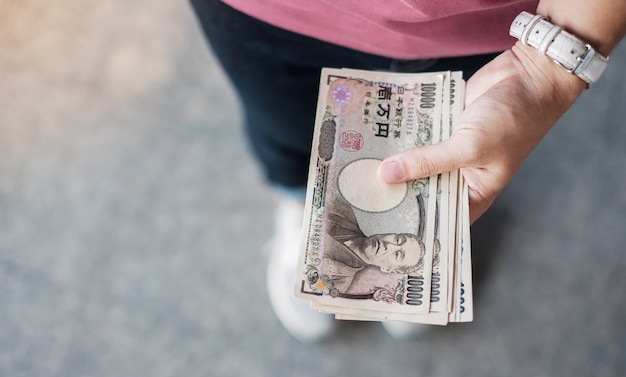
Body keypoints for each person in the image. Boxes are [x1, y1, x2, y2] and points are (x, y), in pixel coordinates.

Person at [189, 0, 626, 342]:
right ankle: (298, 198)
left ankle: (445, 216)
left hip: (489, 28)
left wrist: (543, 71)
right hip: (265, 14)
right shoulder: (354, 231)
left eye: (400, 251)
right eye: (405, 245)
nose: (397, 240)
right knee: (283, 127)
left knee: (451, 145)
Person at [322, 196, 426, 294]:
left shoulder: (339, 282)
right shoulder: (342, 211)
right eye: (397, 240)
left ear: (388, 269)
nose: (389, 245)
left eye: (397, 254)